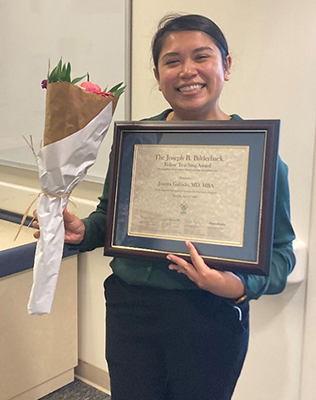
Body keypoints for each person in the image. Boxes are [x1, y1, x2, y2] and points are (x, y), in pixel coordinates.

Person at [34, 14, 296, 400]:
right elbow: (111, 217)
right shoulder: (136, 143)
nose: (187, 71)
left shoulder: (259, 156)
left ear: (226, 65)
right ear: (157, 76)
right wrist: (84, 231)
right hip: (131, 310)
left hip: (212, 315)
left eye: (201, 57)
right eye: (172, 61)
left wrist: (236, 285)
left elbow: (281, 253)